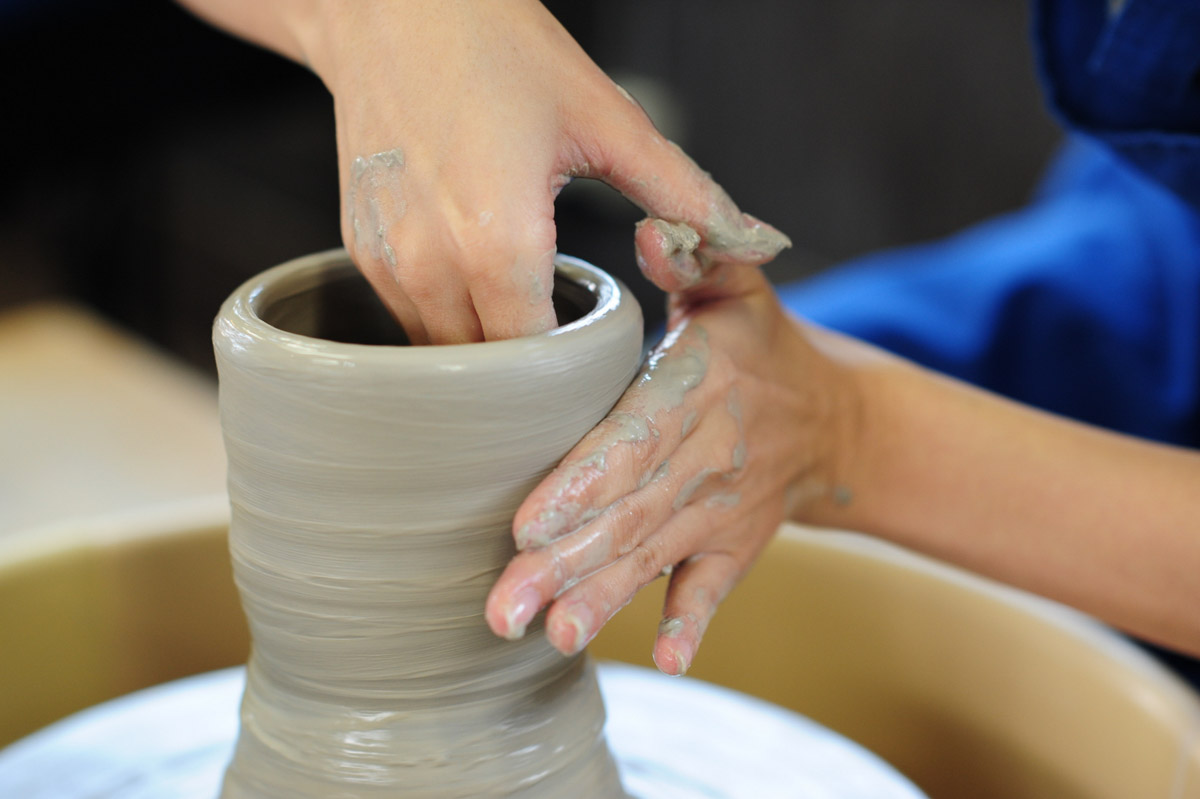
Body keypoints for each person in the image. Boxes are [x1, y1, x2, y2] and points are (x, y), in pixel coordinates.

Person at [178, 0, 1200, 677]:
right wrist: (386, 23)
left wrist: (847, 433)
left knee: (727, 460)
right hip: (1161, 229)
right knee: (677, 442)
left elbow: (828, 420)